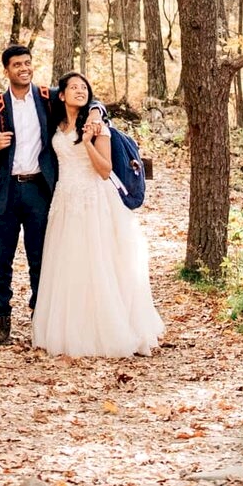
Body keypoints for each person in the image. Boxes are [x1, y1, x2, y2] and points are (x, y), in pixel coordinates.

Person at [31, 71, 164, 358]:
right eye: (73, 87)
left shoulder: (96, 125)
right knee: (67, 264)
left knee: (97, 263)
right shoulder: (57, 122)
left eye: (84, 87)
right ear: (62, 94)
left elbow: (104, 170)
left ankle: (104, 331)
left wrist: (89, 141)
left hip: (93, 200)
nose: (80, 90)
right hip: (65, 200)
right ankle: (69, 330)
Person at [0, 43, 59, 346]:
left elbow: (83, 95)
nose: (24, 69)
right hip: (5, 192)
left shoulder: (48, 99)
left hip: (38, 190)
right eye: (17, 65)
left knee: (40, 258)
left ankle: (40, 319)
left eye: (27, 63)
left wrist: (98, 113)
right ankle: (1, 321)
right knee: (1, 259)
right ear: (6, 70)